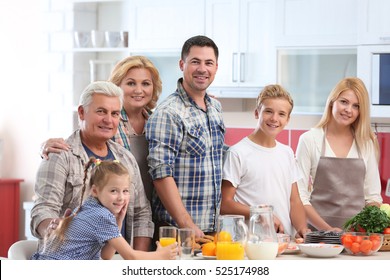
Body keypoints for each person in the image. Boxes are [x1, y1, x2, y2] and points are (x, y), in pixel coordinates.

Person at [31, 81, 154, 251]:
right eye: (101, 111)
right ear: (81, 112)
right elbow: (42, 211)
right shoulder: (59, 156)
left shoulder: (126, 158)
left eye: (115, 113)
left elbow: (142, 213)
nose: (108, 120)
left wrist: (135, 261)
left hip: (117, 259)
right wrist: (53, 227)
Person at [40, 55, 162, 204]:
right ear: (117, 86)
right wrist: (44, 147)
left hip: (150, 210)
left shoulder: (158, 123)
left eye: (146, 84)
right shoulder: (106, 123)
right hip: (115, 208)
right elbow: (75, 144)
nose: (139, 90)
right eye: (131, 83)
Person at [145, 35, 225, 238]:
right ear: (182, 64)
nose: (202, 69)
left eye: (209, 63)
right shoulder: (169, 113)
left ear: (216, 67)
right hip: (177, 233)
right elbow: (161, 173)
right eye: (195, 62)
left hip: (210, 231)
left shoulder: (215, 108)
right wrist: (187, 225)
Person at [31, 158, 177, 260]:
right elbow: (131, 257)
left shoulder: (87, 206)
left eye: (125, 191)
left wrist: (118, 222)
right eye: (113, 191)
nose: (121, 197)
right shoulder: (100, 215)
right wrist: (161, 256)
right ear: (95, 191)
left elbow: (106, 256)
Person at [220, 84, 309, 238]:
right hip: (251, 243)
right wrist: (260, 214)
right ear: (257, 113)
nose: (274, 118)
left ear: (287, 119)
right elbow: (225, 204)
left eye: (281, 114)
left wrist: (303, 228)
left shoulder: (286, 153)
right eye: (268, 111)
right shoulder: (238, 153)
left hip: (283, 242)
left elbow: (294, 201)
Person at [295, 77, 383, 231]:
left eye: (356, 106)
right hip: (318, 234)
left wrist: (358, 229)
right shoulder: (309, 139)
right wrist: (328, 230)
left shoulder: (366, 143)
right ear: (332, 102)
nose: (349, 110)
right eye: (344, 102)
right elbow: (299, 196)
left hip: (356, 237)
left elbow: (373, 197)